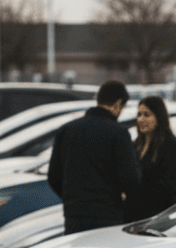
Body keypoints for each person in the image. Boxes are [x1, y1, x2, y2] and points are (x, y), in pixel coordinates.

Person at [46, 80, 142, 235]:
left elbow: (53, 176)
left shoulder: (67, 130)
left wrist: (72, 198)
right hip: (108, 215)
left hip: (74, 215)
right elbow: (130, 179)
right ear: (118, 104)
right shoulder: (118, 133)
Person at [124, 96, 176, 222]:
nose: (141, 119)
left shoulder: (170, 145)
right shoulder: (137, 144)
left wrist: (132, 195)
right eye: (139, 114)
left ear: (159, 116)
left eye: (147, 115)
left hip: (156, 219)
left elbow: (168, 187)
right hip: (133, 217)